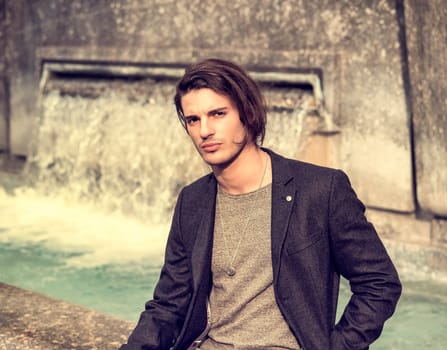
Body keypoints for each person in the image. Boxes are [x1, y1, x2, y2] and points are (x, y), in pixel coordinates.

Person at [120, 58, 401, 350]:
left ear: (247, 113)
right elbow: (168, 305)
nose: (204, 131)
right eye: (193, 120)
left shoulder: (320, 190)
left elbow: (379, 283)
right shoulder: (192, 201)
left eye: (217, 114)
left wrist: (338, 346)